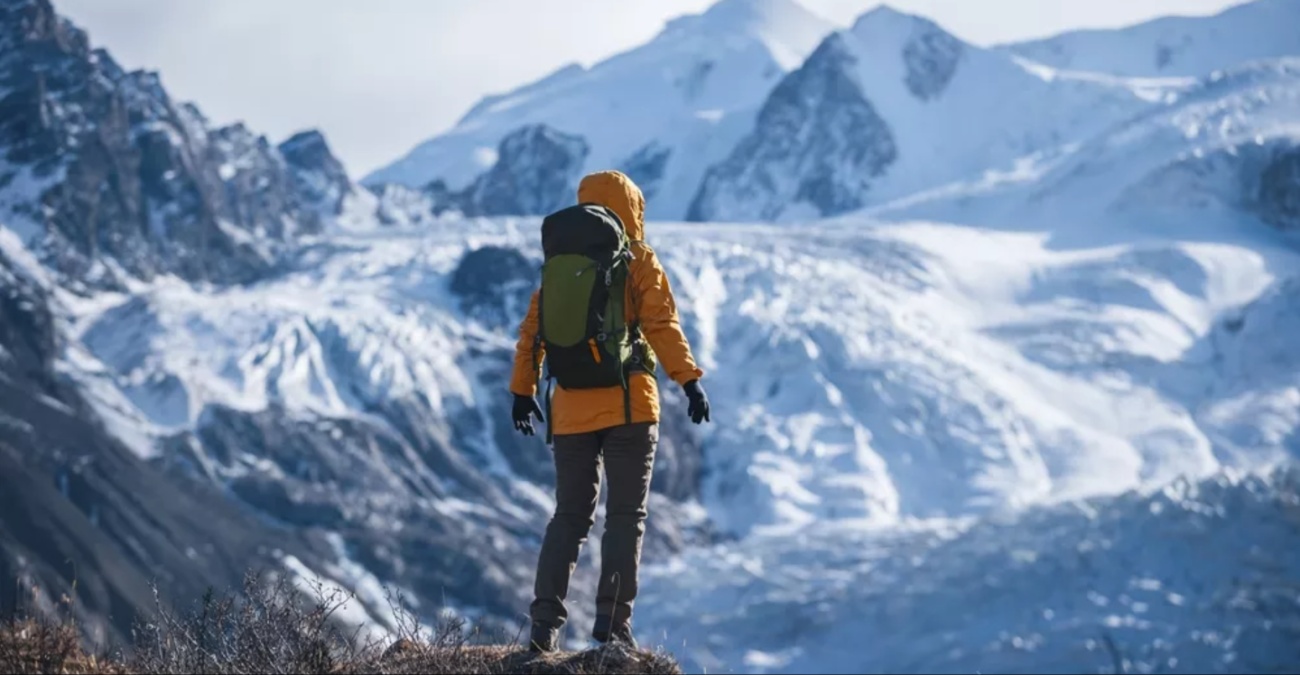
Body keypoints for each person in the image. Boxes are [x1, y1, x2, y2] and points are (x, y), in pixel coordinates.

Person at [509, 170, 710, 653]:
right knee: (624, 517)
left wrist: (523, 389)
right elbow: (661, 324)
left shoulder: (562, 262)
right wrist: (689, 380)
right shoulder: (638, 258)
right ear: (634, 208)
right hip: (629, 406)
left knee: (569, 516)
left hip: (570, 408)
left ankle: (543, 627)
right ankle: (613, 625)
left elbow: (533, 330)